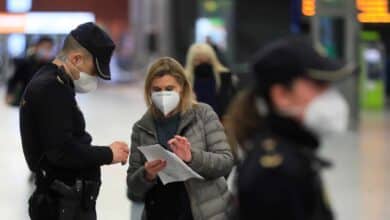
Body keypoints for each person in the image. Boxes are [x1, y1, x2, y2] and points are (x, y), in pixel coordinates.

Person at [226, 36, 353, 220]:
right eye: (319, 85)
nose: (330, 95)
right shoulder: (275, 174)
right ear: (281, 95)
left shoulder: (293, 153)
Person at [20, 22, 130, 220]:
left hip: (65, 204)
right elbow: (61, 152)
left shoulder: (53, 82)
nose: (94, 79)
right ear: (76, 58)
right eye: (94, 72)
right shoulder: (51, 88)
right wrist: (108, 154)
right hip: (60, 206)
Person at [127, 57, 234, 220]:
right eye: (157, 89)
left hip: (204, 213)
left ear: (182, 88)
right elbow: (133, 187)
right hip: (161, 211)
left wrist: (192, 157)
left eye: (169, 88)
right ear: (149, 91)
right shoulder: (141, 128)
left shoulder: (203, 114)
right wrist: (147, 174)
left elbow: (225, 162)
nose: (163, 95)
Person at [185, 43, 236, 119]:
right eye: (198, 61)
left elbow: (232, 102)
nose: (203, 65)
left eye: (206, 61)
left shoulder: (224, 77)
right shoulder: (184, 79)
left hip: (220, 121)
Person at [6, 36, 54, 106]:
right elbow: (14, 80)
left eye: (49, 48)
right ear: (37, 47)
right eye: (44, 47)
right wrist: (9, 93)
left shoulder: (54, 66)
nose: (46, 50)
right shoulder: (26, 63)